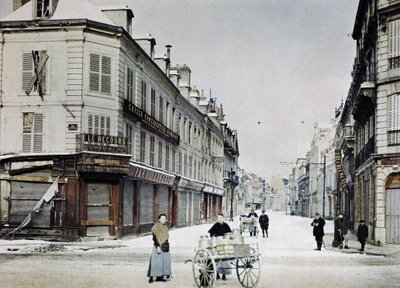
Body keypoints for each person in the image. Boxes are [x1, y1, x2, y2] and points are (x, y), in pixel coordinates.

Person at [147, 214, 171, 283]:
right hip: (157, 246)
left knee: (163, 262)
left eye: (165, 219)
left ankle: (160, 277)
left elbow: (166, 237)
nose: (164, 220)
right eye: (162, 219)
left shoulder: (165, 227)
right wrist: (157, 246)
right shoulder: (155, 227)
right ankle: (151, 277)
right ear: (159, 219)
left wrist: (166, 245)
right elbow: (154, 238)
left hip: (164, 246)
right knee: (155, 262)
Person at [208, 213, 232, 281]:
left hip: (224, 244)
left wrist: (228, 238)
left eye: (221, 218)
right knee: (217, 260)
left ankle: (224, 275)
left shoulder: (226, 225)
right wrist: (214, 236)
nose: (219, 219)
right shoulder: (215, 225)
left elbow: (229, 233)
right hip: (217, 243)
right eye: (218, 218)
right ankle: (217, 274)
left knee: (225, 260)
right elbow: (211, 234)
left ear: (223, 218)